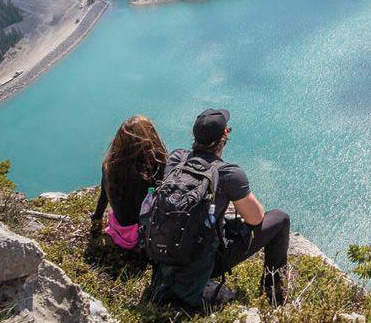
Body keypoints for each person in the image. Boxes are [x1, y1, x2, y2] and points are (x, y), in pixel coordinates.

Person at [164, 108, 291, 307]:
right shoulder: (229, 174)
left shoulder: (176, 159)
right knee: (280, 219)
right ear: (224, 136)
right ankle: (273, 293)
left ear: (194, 135)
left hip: (165, 253)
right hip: (204, 263)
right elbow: (256, 218)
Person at [91, 115, 168, 251]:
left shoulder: (109, 166)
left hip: (121, 232)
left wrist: (97, 218)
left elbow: (104, 194)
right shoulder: (156, 168)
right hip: (146, 235)